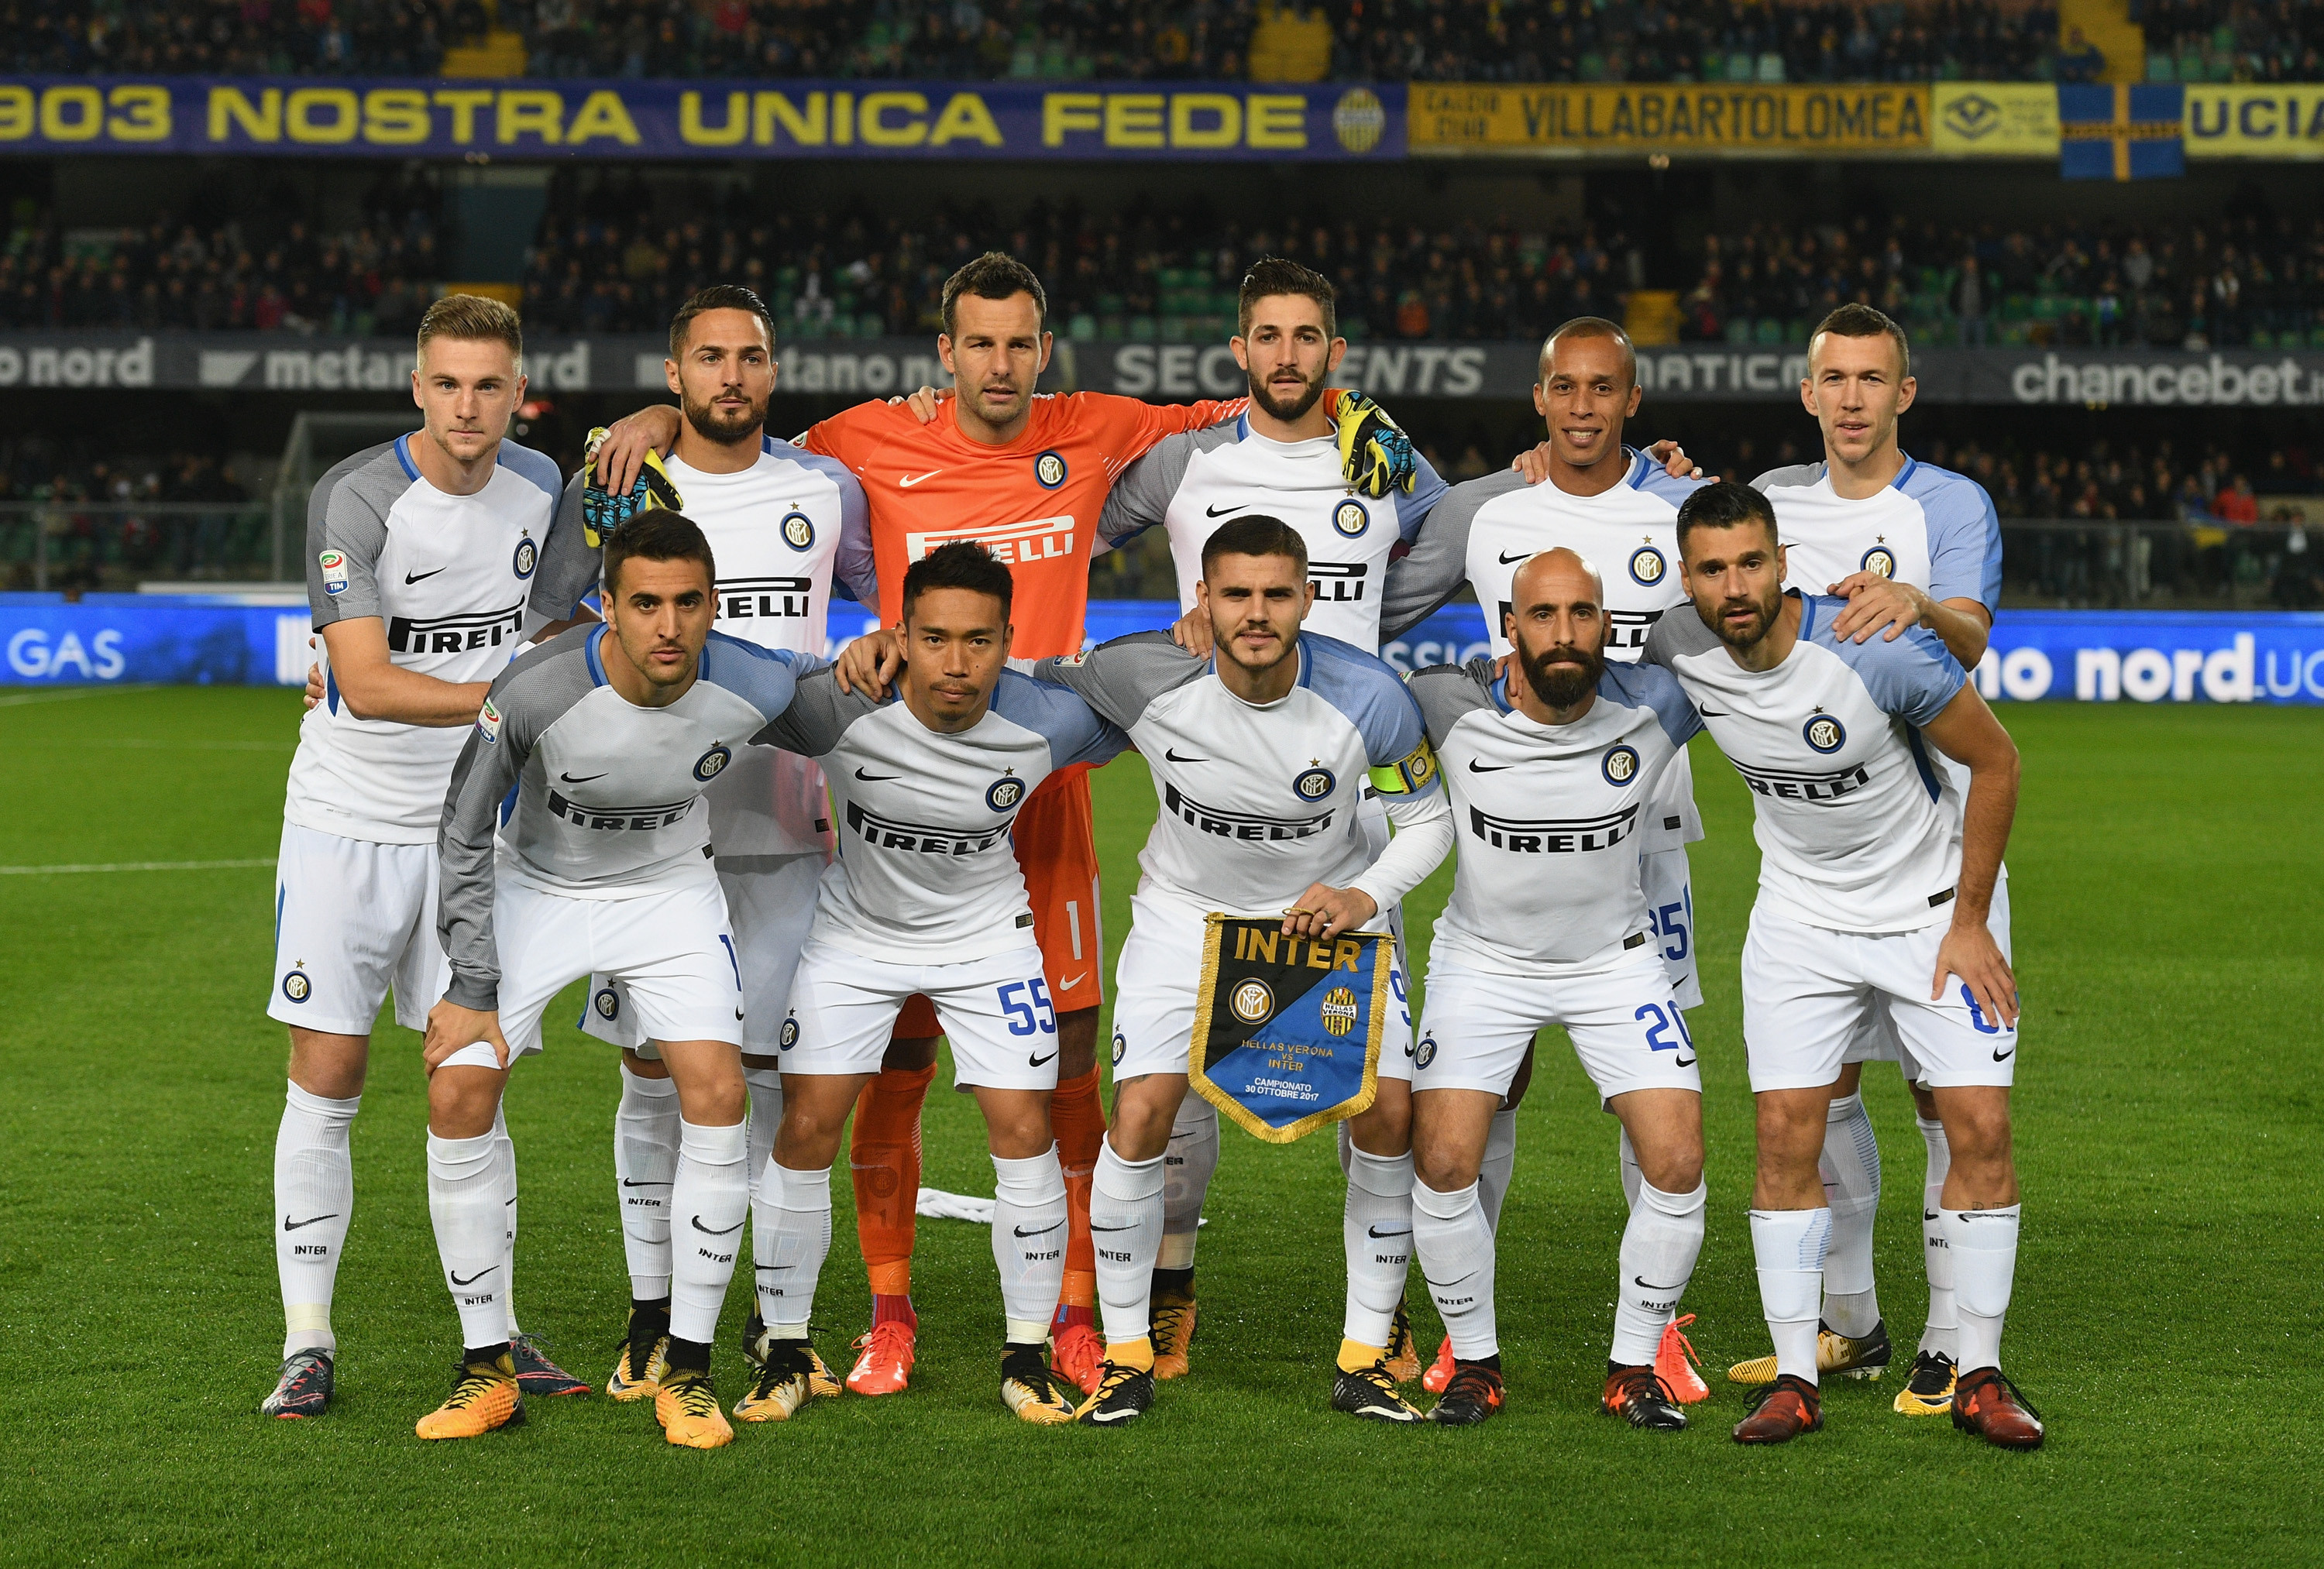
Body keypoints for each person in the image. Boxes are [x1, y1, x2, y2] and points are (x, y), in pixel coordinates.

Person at [596, 251, 1418, 1399]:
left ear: (1045, 349)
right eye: (978, 343)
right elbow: (739, 437)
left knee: (1070, 1066)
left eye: (1019, 342)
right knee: (890, 1064)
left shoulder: (1097, 429)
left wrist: (1344, 409)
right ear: (946, 352)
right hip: (900, 779)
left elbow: (1242, 410)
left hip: (1046, 782)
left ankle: (1077, 1315)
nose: (999, 363)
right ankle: (889, 1315)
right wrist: (651, 418)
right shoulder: (863, 442)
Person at [1086, 256, 1449, 1384]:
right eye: (1268, 336)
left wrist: (1370, 637)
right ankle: (1162, 1294)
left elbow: (1464, 538)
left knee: (1377, 1099)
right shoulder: (1186, 462)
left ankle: (1379, 1318)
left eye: (1308, 337)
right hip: (1207, 779)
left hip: (1344, 802)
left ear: (1335, 351)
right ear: (1238, 350)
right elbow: (1067, 530)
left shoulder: (1380, 454)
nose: (1288, 355)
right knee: (1171, 1096)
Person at [1032, 514, 1455, 1427]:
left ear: (1308, 598)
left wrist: (1364, 895)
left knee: (1389, 1115)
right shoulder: (1142, 673)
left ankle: (1364, 1357)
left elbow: (1428, 820)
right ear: (1203, 600)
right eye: (1236, 594)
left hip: (1320, 922)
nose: (1256, 612)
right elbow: (1030, 686)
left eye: (1275, 594)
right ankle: (1126, 1358)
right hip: (1185, 916)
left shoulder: (1370, 697)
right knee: (1140, 1115)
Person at [1645, 482, 2040, 1451]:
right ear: (1685, 579)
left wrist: (1972, 922)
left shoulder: (1875, 649)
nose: (1734, 587)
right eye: (1712, 569)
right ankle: (1797, 1376)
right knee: (1784, 1133)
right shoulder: (1676, 647)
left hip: (1931, 912)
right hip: (1802, 918)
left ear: (1783, 564)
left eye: (1751, 563)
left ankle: (1980, 1372)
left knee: (1979, 1126)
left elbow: (1997, 763)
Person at [260, 293, 593, 1420]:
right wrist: (510, 699)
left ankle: (494, 1338)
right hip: (345, 821)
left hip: (475, 828)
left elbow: (555, 626)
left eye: (489, 385)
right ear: (418, 386)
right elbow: (363, 682)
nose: (467, 405)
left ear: (518, 392)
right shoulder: (356, 495)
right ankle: (308, 1339)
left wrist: (546, 672)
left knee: (470, 1082)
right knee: (330, 1073)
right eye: (447, 383)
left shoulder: (543, 485)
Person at [420, 511, 816, 1450]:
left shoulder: (757, 678)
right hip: (539, 888)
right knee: (458, 1088)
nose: (668, 626)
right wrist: (472, 982)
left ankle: (689, 1370)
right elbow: (462, 826)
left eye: (687, 603)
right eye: (645, 604)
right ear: (607, 605)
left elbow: (850, 693)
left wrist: (884, 657)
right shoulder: (537, 687)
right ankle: (487, 1367)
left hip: (669, 890)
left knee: (717, 1093)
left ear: (713, 605)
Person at [1378, 317, 1710, 1399]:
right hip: (1501, 839)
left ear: (1632, 401)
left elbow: (1746, 601)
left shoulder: (1680, 503)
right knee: (1481, 1103)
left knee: (1663, 1122)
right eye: (1565, 387)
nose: (1582, 406)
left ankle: (1655, 1335)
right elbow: (1372, 603)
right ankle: (1465, 1334)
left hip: (1644, 843)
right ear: (1539, 397)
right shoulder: (1489, 511)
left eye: (1603, 388)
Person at [734, 542, 1129, 1426]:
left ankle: (1025, 1358)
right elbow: (724, 671)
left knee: (1025, 1128)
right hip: (856, 940)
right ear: (900, 636)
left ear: (1008, 642)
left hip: (987, 942)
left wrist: (1191, 631)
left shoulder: (1050, 717)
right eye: (936, 638)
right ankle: (786, 1350)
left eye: (979, 641)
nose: (957, 664)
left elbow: (1172, 702)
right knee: (806, 1126)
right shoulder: (841, 703)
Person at [566, 285, 874, 1406]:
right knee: (654, 1077)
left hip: (787, 833)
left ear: (773, 372)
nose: (731, 376)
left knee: (781, 1085)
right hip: (649, 845)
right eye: (709, 358)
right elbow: (558, 625)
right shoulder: (622, 483)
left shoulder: (825, 488)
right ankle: (653, 1312)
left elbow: (893, 610)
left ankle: (776, 1321)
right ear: (674, 373)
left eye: (750, 357)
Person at [1743, 303, 2005, 1416]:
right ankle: (1850, 1321)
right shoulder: (1773, 498)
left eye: (1872, 379)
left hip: (1938, 849)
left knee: (1948, 1099)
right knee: (1826, 1091)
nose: (1852, 398)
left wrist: (1920, 604)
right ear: (1808, 393)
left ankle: (1950, 1341)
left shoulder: (1948, 503)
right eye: (1834, 379)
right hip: (1816, 864)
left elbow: (1974, 639)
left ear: (1905, 392)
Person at [1405, 548, 1707, 1430]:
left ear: (1608, 623)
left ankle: (1634, 1366)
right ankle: (1474, 1361)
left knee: (1677, 1160)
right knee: (1444, 1160)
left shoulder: (1657, 703)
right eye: (1544, 614)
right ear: (1510, 626)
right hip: (1483, 960)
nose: (1565, 632)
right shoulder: (1445, 702)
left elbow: (1754, 647)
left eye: (1582, 613)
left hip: (1613, 960)